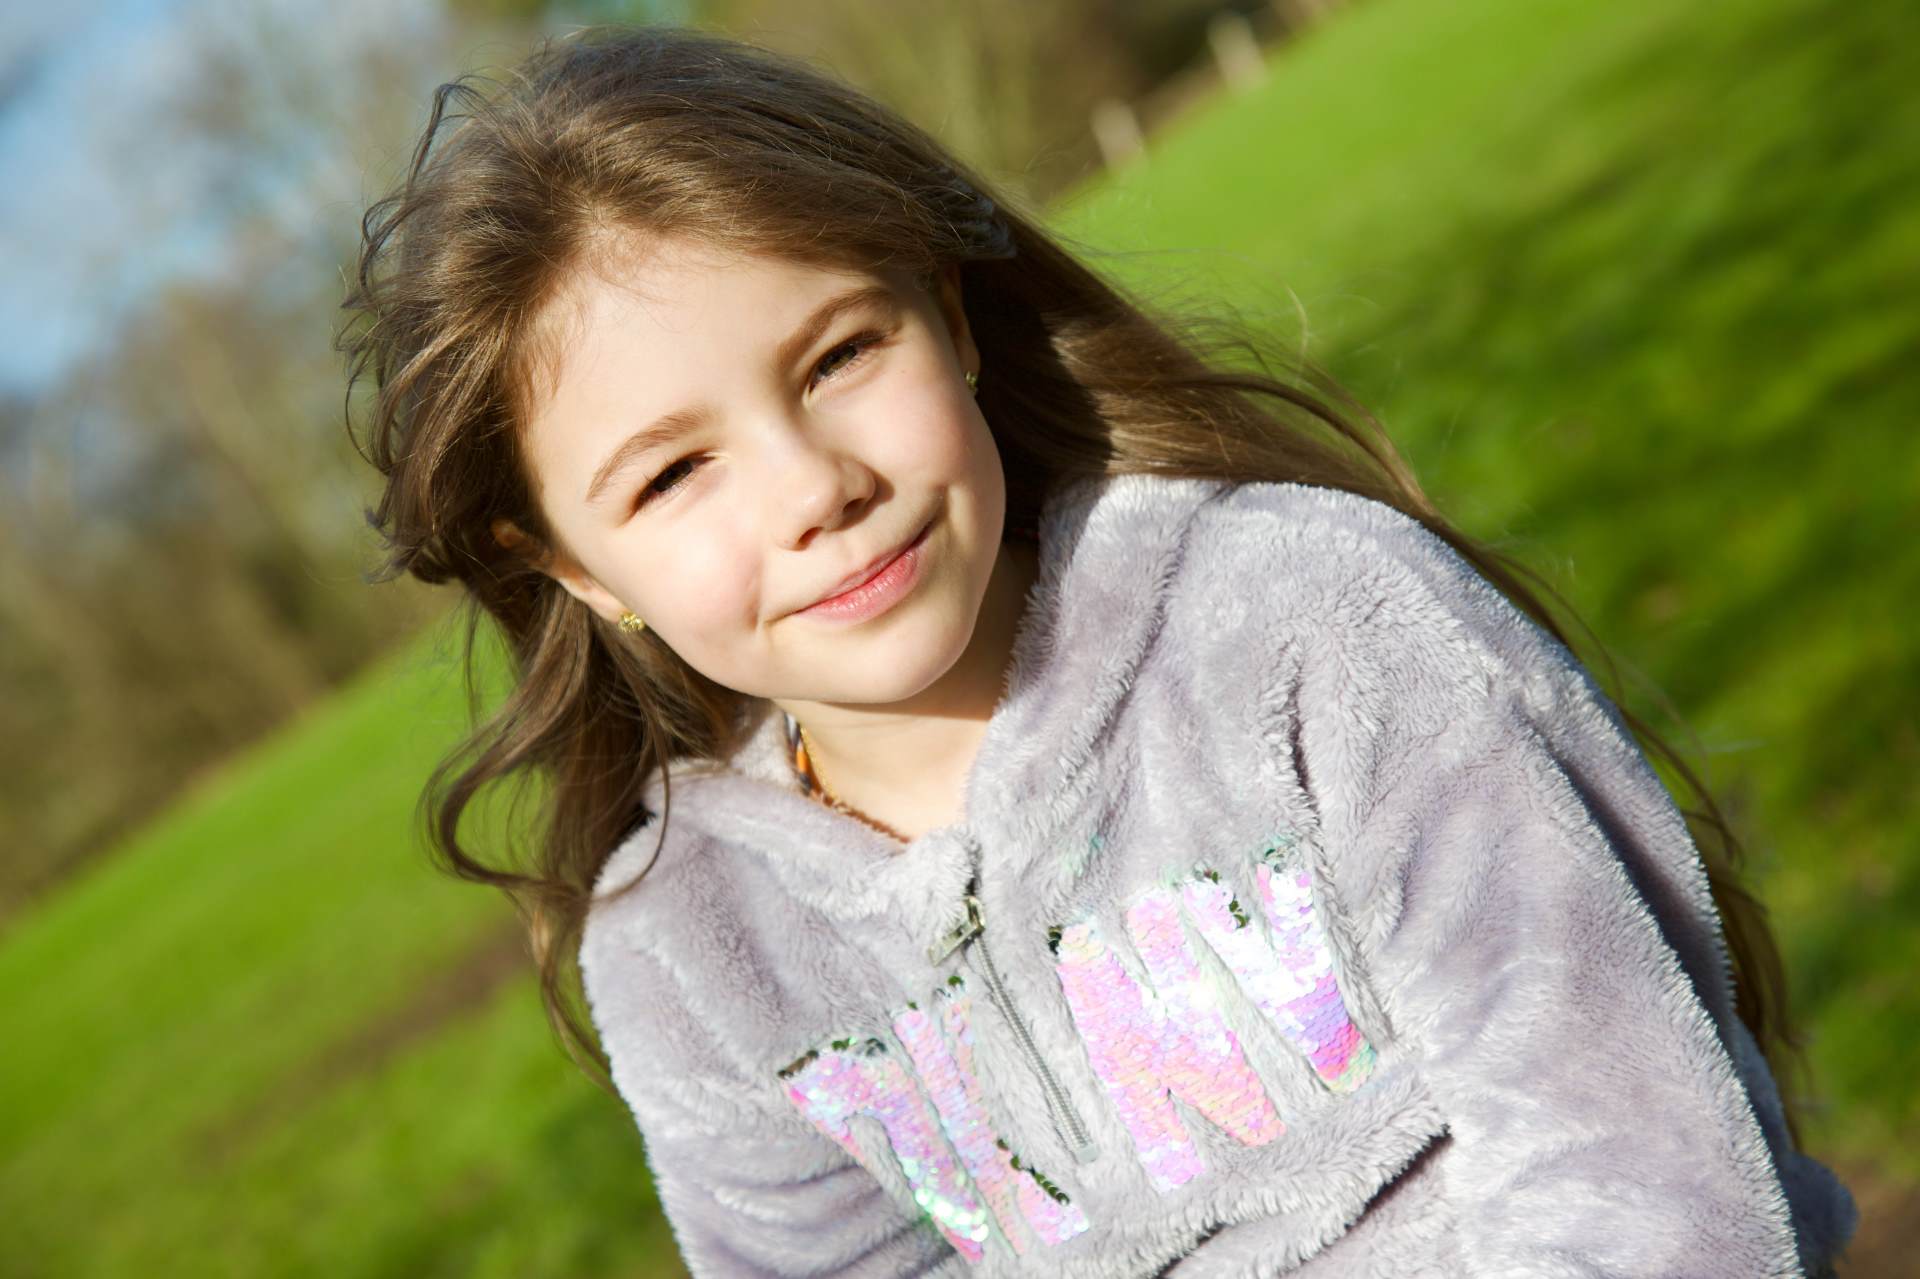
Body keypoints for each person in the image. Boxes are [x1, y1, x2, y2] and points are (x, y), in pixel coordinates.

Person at [338, 23, 1856, 1278]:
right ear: (568, 566)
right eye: (674, 475)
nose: (814, 489)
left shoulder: (1305, 625)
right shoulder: (689, 950)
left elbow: (1653, 1191)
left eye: (841, 355)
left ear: (951, 319)